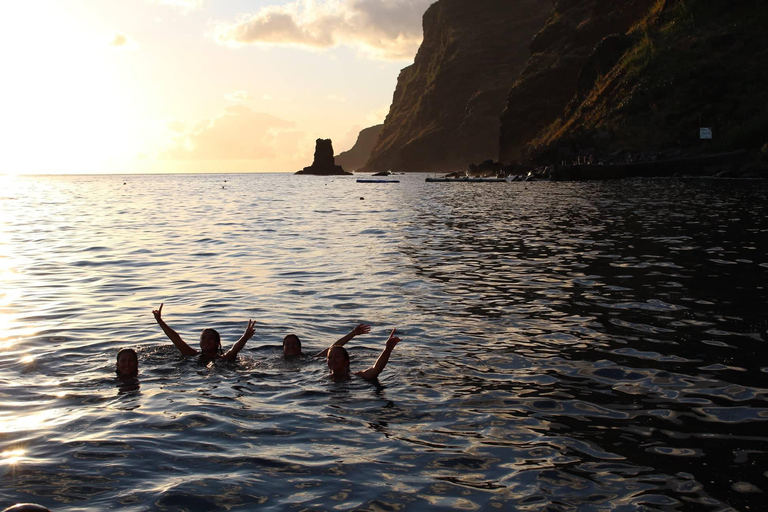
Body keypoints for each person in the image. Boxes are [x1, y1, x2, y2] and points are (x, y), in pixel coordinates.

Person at [152, 303, 255, 362]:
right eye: (203, 338)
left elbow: (235, 348)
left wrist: (245, 336)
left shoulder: (224, 358)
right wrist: (160, 321)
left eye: (210, 338)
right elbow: (176, 339)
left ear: (217, 343)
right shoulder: (192, 355)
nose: (206, 341)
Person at [326, 328, 401, 381]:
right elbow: (327, 350)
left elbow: (375, 370)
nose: (333, 360)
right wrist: (353, 333)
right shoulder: (323, 378)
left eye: (337, 357)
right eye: (330, 357)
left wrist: (388, 349)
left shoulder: (354, 377)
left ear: (346, 362)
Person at [282, 323, 371, 358]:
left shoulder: (308, 359)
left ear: (300, 348)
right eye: (287, 344)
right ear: (283, 348)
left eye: (294, 343)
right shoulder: (274, 362)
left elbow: (332, 349)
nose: (291, 346)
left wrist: (353, 333)